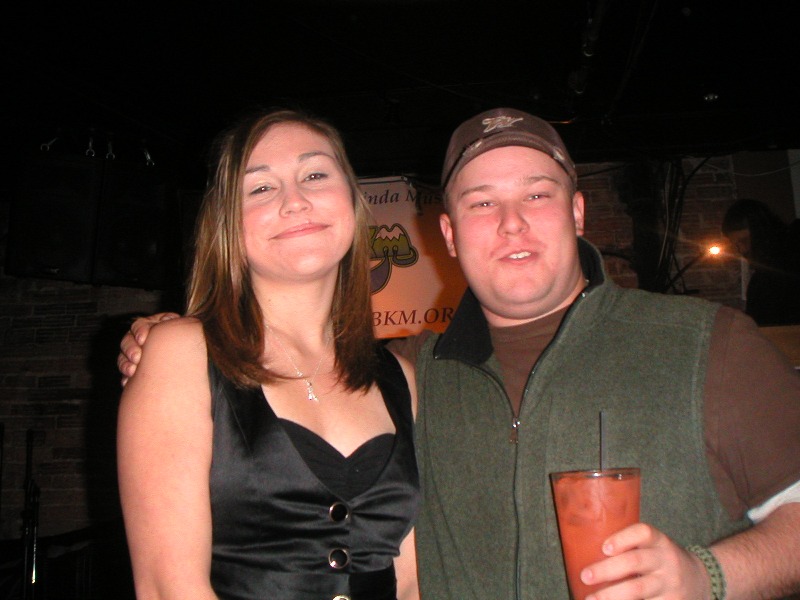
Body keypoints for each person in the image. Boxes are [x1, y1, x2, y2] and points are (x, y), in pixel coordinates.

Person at [119, 108, 800, 599]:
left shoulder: (707, 342)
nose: (512, 223)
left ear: (577, 212)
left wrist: (707, 575)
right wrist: (167, 344)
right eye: (481, 203)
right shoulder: (426, 370)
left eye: (537, 194)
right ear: (447, 233)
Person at [116, 109, 420, 600]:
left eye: (315, 175)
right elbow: (168, 587)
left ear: (352, 199)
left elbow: (410, 579)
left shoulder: (400, 377)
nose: (295, 201)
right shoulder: (181, 353)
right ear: (228, 226)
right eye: (260, 187)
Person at [722, 198, 800, 325]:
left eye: (744, 241)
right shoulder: (761, 277)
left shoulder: (778, 270)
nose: (741, 250)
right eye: (736, 245)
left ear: (760, 231)